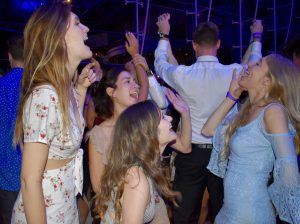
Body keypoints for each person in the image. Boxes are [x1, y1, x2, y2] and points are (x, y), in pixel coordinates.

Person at [154, 13, 263, 223]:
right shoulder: (234, 72)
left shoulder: (183, 74)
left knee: (184, 214)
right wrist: (256, 37)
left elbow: (160, 64)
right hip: (224, 153)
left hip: (191, 153)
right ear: (218, 44)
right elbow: (254, 63)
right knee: (226, 212)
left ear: (194, 45)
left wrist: (163, 35)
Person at [12, 2, 97, 223]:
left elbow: (68, 132)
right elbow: (29, 180)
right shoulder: (45, 95)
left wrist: (80, 88)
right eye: (77, 23)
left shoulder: (65, 90)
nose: (86, 28)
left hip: (64, 209)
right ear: (58, 38)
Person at [202, 54, 300, 223]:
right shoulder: (247, 109)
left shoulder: (273, 111)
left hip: (251, 213)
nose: (249, 64)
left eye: (258, 63)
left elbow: (289, 170)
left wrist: (279, 199)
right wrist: (231, 96)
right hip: (230, 211)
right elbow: (208, 130)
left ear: (267, 81)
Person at [94, 97, 190, 223]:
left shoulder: (145, 166)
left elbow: (185, 146)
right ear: (148, 132)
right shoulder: (137, 179)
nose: (170, 118)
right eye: (162, 118)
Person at [0, 36, 24, 224]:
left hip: (5, 173)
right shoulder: (37, 85)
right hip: (35, 170)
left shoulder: (1, 86)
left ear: (9, 57)